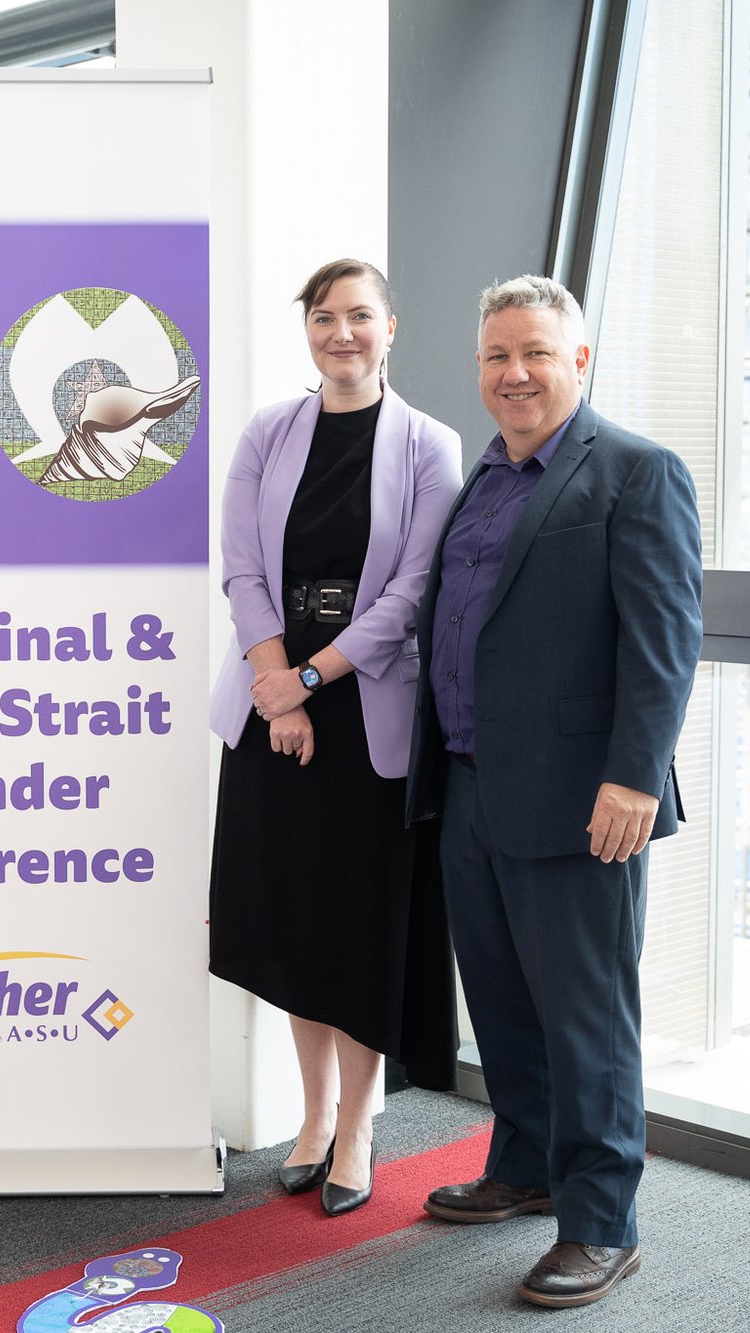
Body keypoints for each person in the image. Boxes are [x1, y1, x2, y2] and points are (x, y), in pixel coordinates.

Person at [408, 275, 702, 1308]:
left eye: (534, 352)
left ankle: (601, 1222)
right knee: (501, 1000)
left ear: (579, 362)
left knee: (586, 1018)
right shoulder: (478, 480)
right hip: (472, 783)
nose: (513, 372)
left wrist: (631, 775)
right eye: (495, 355)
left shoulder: (633, 471)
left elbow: (663, 645)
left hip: (585, 800)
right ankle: (525, 1167)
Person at [209, 259, 462, 1218]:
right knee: (290, 923)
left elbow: (410, 595)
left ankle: (359, 1121)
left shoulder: (428, 446)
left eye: (360, 315)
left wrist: (311, 680)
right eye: (325, 316)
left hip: (366, 718)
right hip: (271, 708)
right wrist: (278, 693)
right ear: (306, 328)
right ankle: (312, 1114)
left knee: (357, 929)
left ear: (391, 326)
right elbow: (240, 570)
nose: (342, 332)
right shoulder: (268, 433)